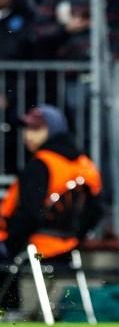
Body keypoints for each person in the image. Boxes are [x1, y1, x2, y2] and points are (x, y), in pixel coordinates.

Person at [0, 105, 103, 259]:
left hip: (35, 249)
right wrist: (76, 238)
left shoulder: (41, 164)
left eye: (36, 129)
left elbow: (29, 215)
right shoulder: (85, 164)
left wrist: (10, 244)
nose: (28, 135)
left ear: (52, 130)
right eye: (26, 129)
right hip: (69, 248)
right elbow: (96, 210)